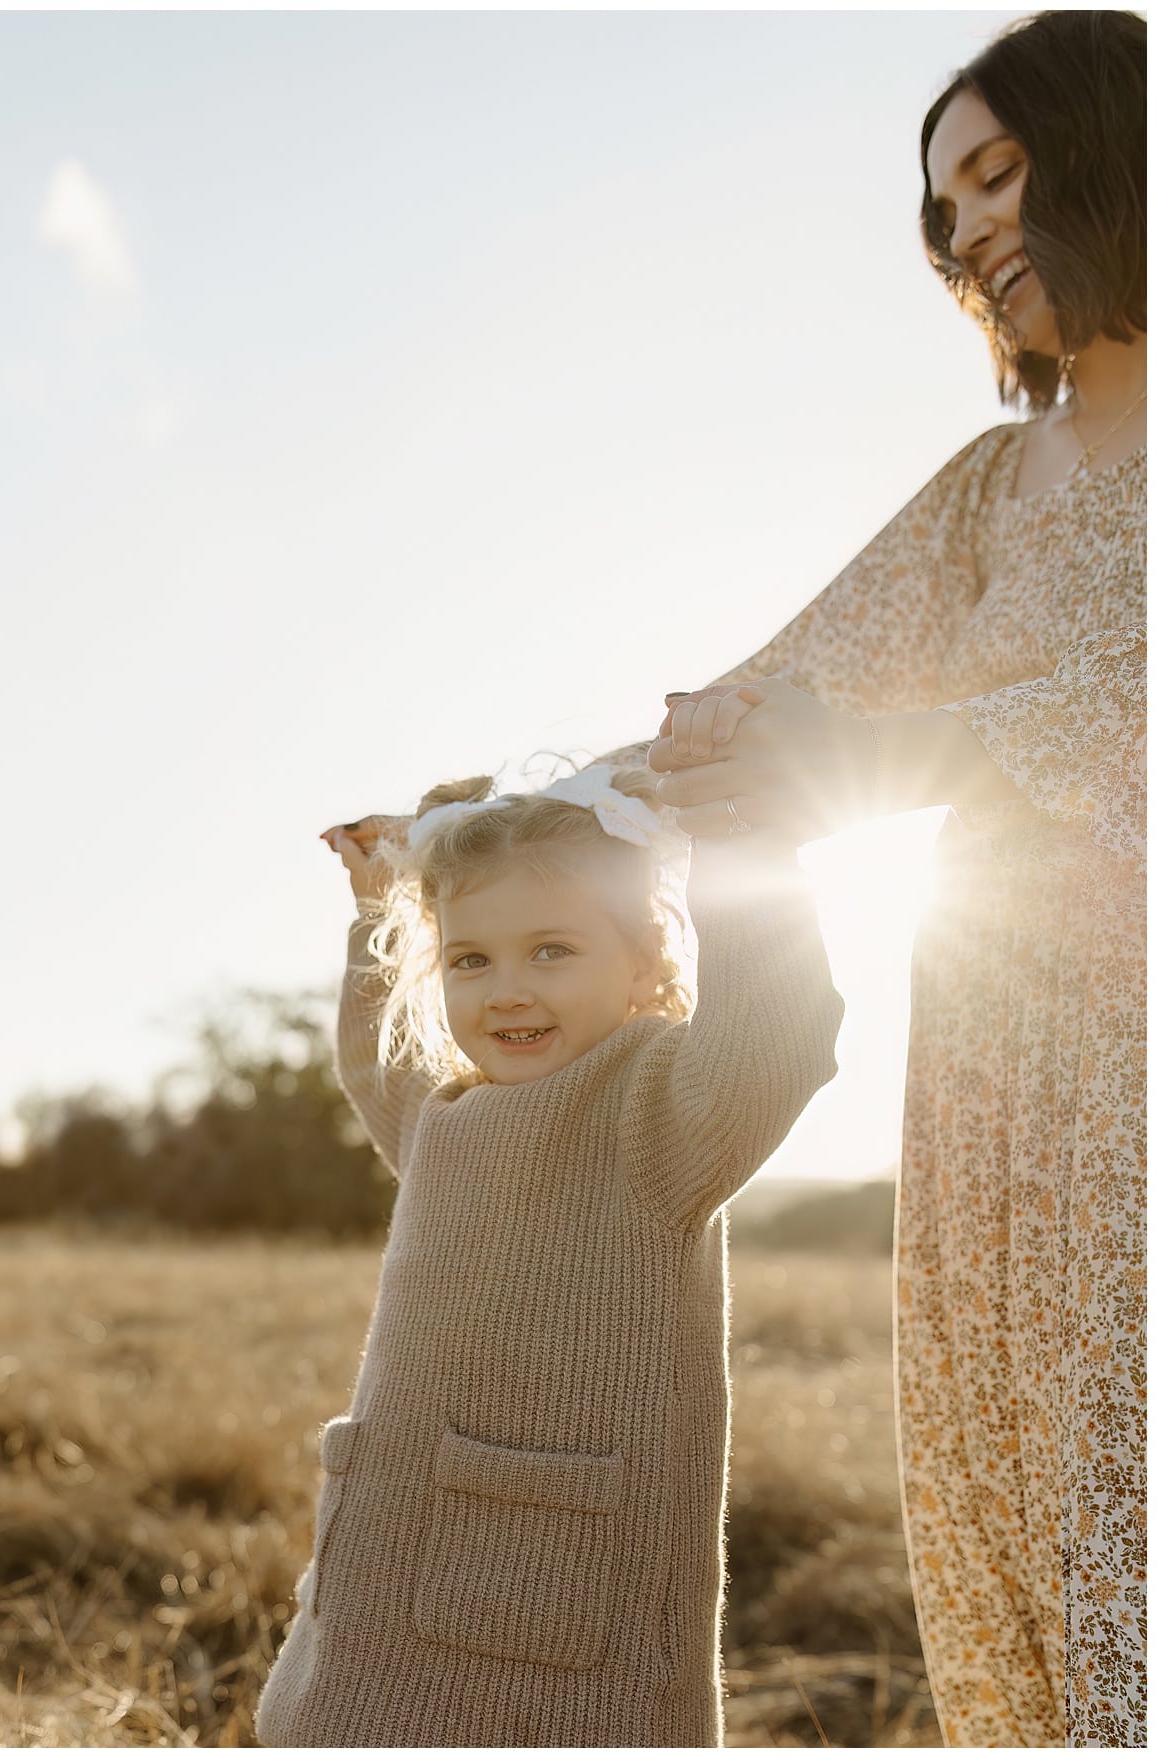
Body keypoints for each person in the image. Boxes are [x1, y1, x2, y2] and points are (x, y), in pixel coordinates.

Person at [646, 10, 1145, 1748]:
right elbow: (770, 706)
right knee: (1026, 1535)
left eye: (999, 171)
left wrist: (928, 763)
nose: (971, 231)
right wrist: (501, 822)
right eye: (946, 209)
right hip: (1000, 1096)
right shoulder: (990, 492)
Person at [255, 760, 843, 1747]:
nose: (507, 992)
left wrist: (745, 842)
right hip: (382, 1569)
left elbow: (778, 1038)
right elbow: (374, 1063)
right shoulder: (444, 1119)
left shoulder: (660, 1114)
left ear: (647, 962)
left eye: (552, 950)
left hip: (559, 1610)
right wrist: (375, 909)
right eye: (470, 961)